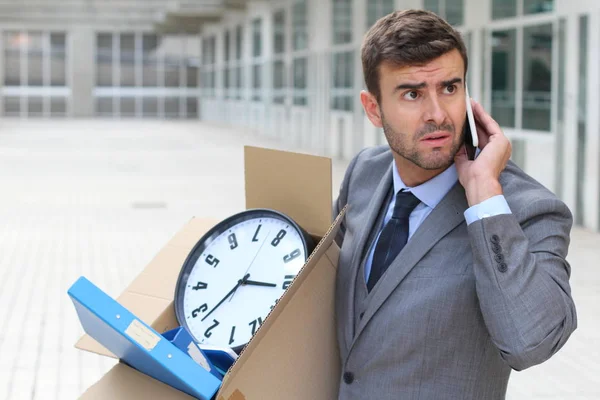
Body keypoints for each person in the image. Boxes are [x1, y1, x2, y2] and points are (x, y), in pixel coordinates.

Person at [333, 9, 577, 400]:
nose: (437, 114)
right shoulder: (363, 172)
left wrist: (483, 193)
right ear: (373, 108)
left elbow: (532, 342)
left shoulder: (526, 208)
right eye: (412, 93)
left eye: (450, 88)